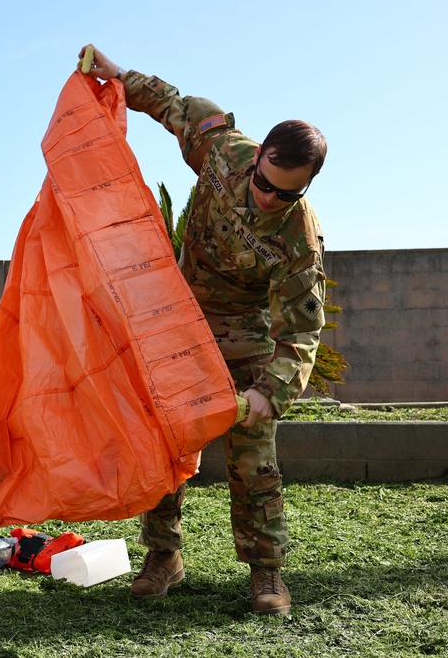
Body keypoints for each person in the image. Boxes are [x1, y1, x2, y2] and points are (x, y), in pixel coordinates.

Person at [78, 45, 328, 615]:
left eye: (287, 193)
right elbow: (172, 104)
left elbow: (302, 330)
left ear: (306, 186)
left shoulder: (299, 239)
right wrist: (117, 76)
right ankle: (163, 557)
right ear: (259, 154)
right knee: (164, 441)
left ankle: (267, 573)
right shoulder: (223, 150)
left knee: (252, 458)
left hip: (244, 336)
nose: (270, 199)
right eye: (266, 183)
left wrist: (271, 391)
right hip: (177, 321)